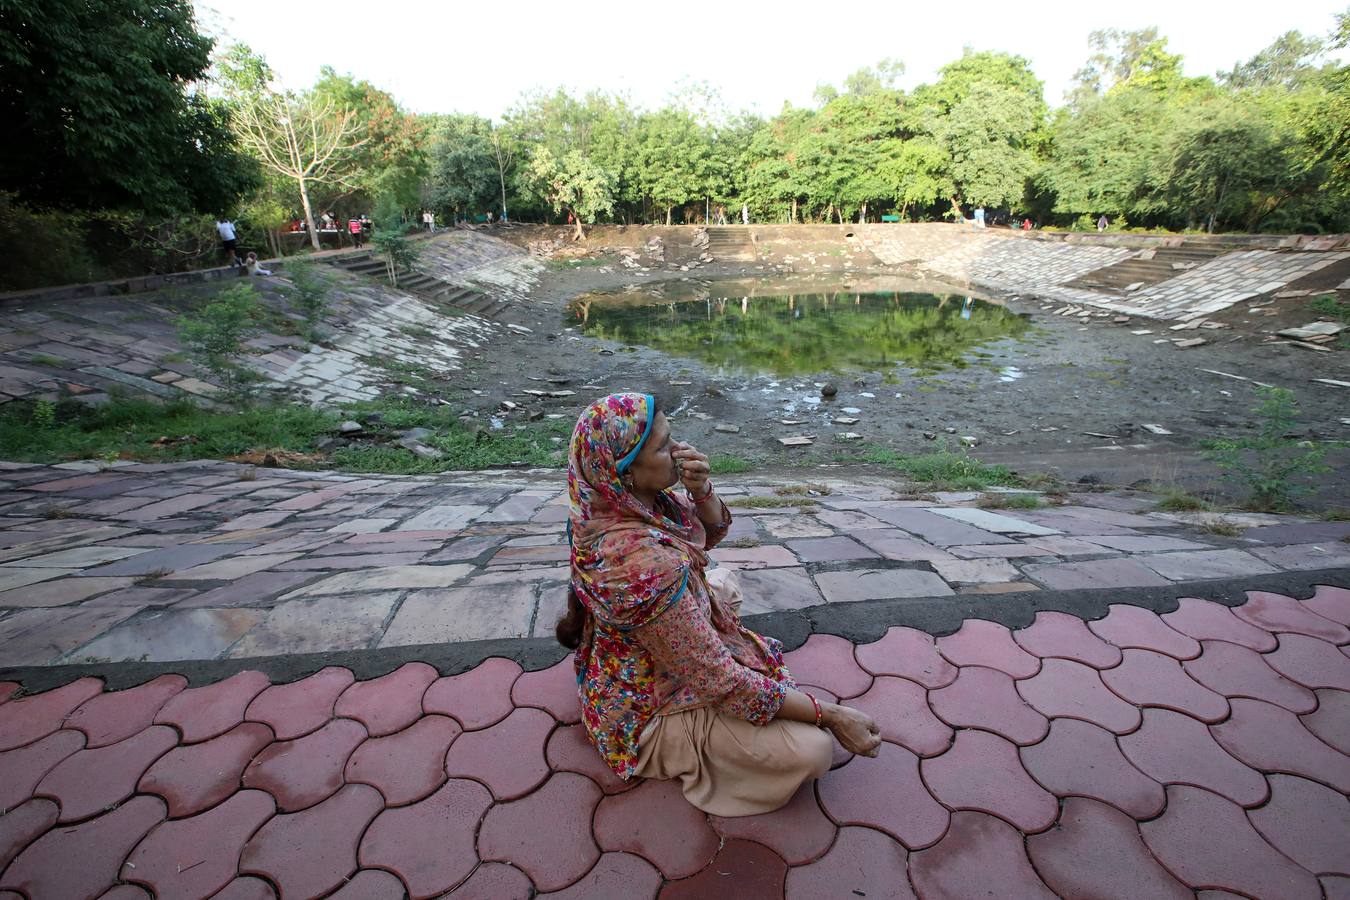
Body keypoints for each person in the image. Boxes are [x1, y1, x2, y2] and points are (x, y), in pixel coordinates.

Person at [557, 393, 881, 816]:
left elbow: (704, 539)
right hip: (645, 709)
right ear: (627, 471)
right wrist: (830, 715)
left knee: (723, 583)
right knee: (811, 752)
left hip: (630, 656)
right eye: (662, 446)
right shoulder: (639, 564)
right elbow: (722, 683)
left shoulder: (614, 502)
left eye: (672, 439)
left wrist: (701, 490)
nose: (678, 452)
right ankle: (674, 751)